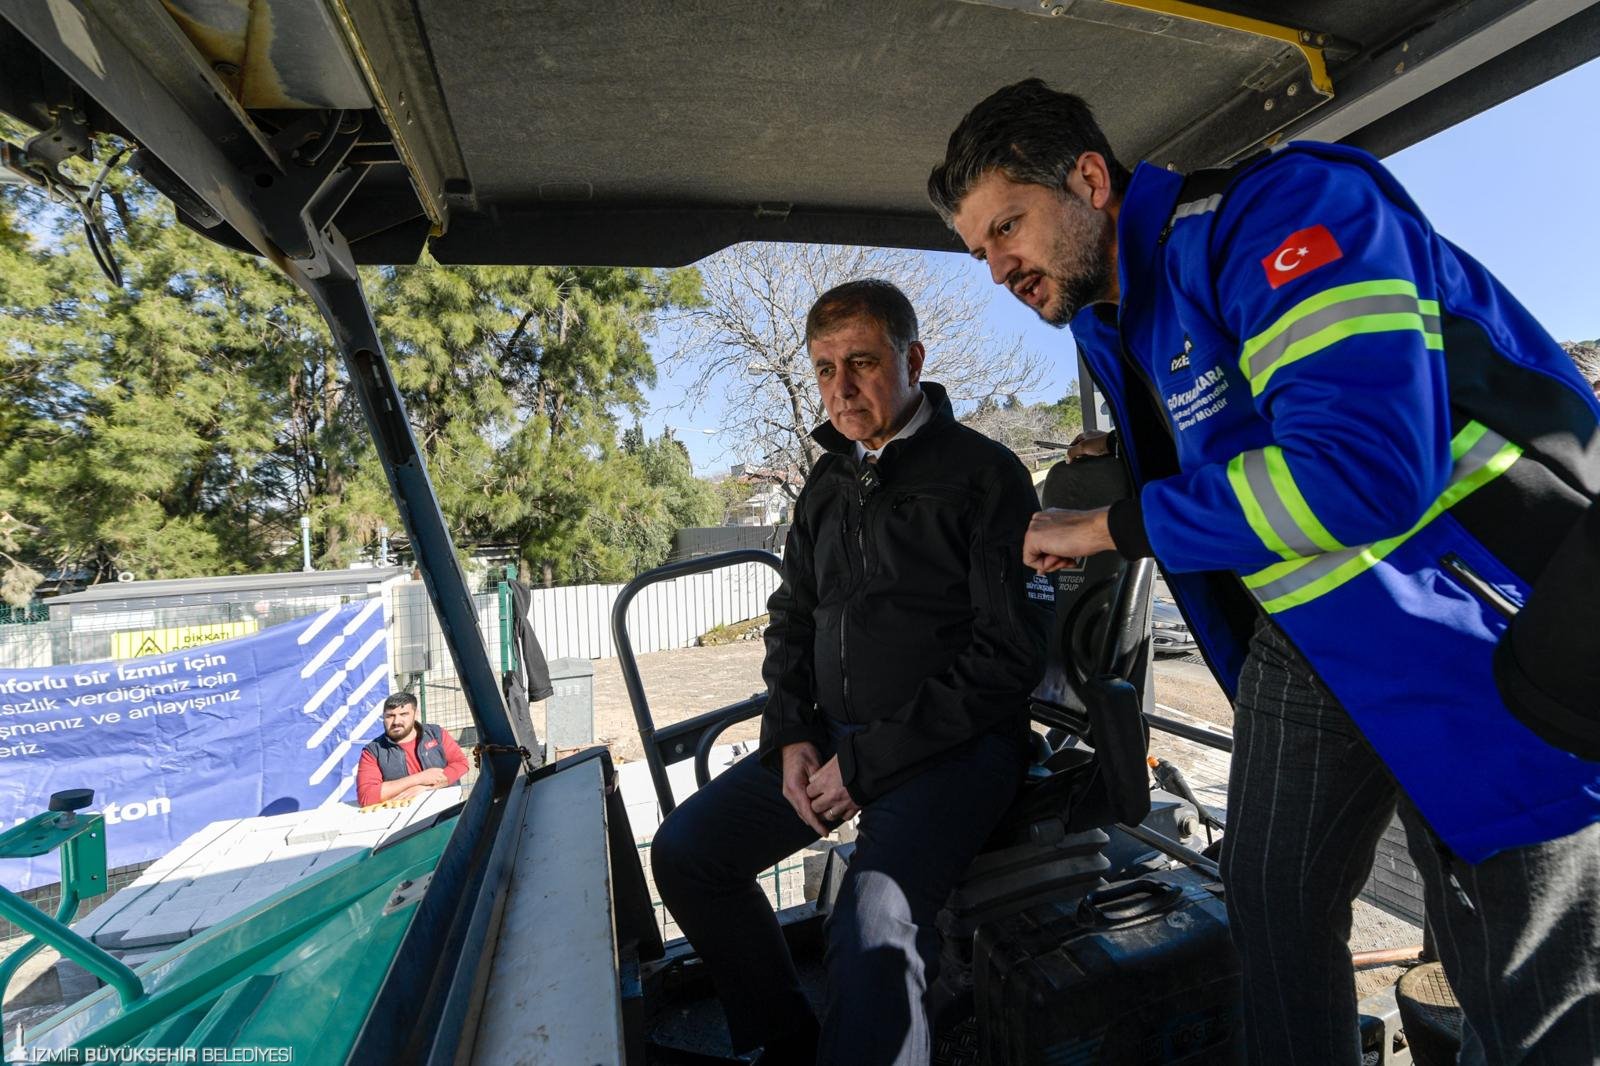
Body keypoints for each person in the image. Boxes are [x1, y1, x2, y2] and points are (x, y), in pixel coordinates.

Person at [930, 79, 1600, 1062]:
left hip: (1480, 634)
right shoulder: (1121, 317)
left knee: (1514, 983)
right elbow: (1235, 431)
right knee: (1271, 894)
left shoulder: (1279, 213)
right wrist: (1124, 458)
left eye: (1006, 228)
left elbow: (1361, 470)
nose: (995, 268)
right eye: (979, 248)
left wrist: (1113, 524)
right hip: (1317, 641)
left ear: (1087, 179)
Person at [649, 279, 1050, 1065]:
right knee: (689, 854)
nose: (842, 386)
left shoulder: (984, 477)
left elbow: (1009, 658)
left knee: (870, 930)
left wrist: (866, 766)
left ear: (913, 359)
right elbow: (794, 618)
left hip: (957, 749)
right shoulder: (827, 484)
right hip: (834, 739)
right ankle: (789, 1043)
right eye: (825, 368)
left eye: (862, 362)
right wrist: (792, 731)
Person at [355, 692, 470, 806]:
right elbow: (367, 796)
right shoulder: (373, 751)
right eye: (390, 716)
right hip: (404, 815)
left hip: (446, 808)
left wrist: (425, 788)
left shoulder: (436, 734)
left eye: (403, 714)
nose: (396, 722)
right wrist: (418, 779)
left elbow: (461, 764)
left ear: (415, 714)